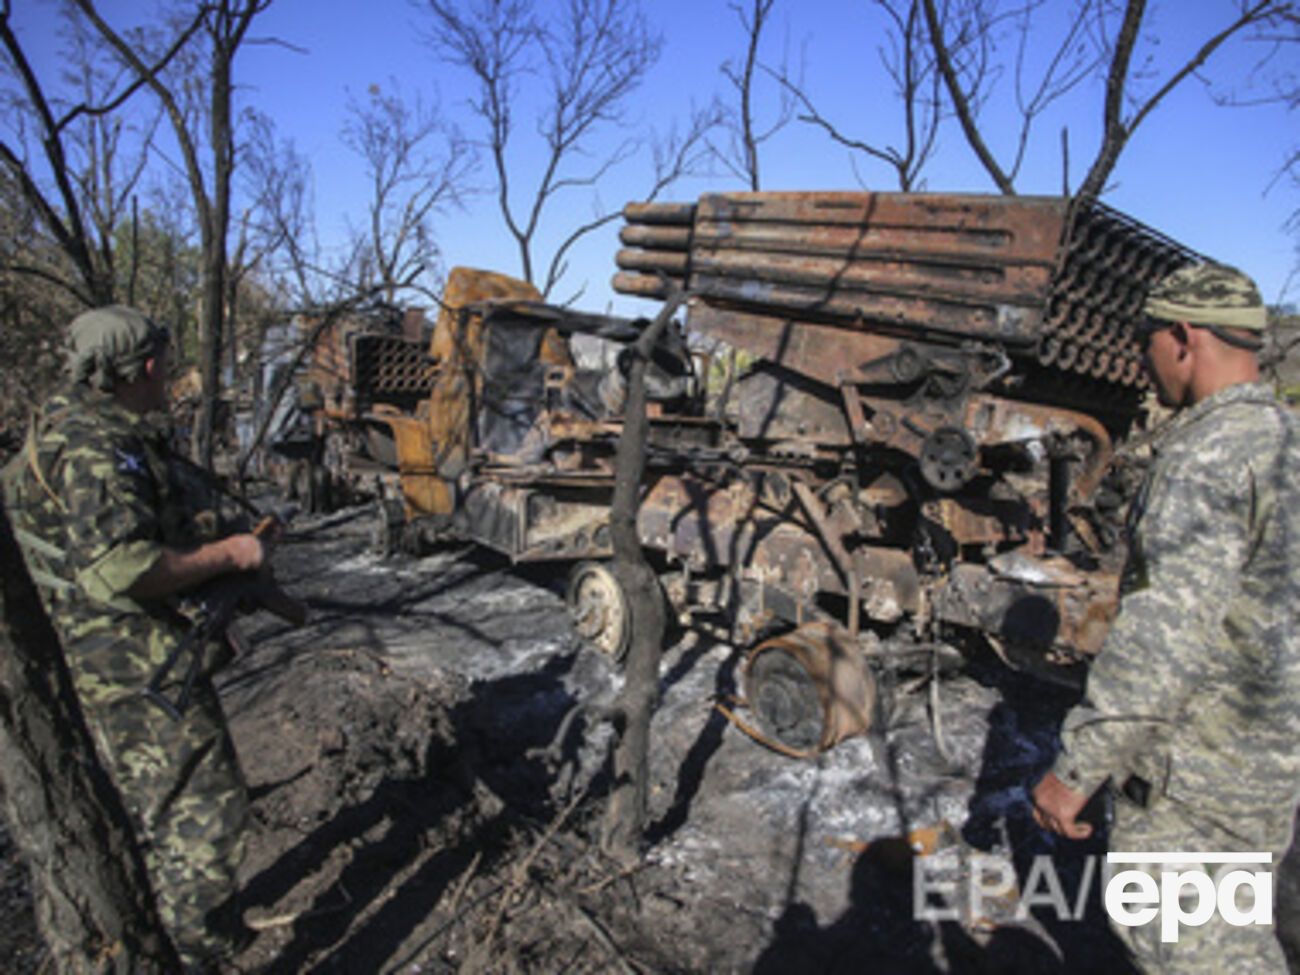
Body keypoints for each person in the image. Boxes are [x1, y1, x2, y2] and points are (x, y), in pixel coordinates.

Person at [1030, 264, 1299, 972]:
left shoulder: (1207, 456)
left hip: (1198, 771)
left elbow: (1163, 642)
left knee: (1201, 950)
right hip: (1265, 761)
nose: (1141, 362)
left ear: (1182, 336)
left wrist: (1076, 766)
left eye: (1146, 341)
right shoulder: (1284, 439)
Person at [3, 306, 267, 970]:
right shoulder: (97, 447)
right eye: (164, 361)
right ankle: (203, 947)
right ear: (146, 365)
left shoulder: (58, 426)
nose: (169, 373)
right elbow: (119, 565)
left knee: (159, 809)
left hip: (101, 662)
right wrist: (231, 554)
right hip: (135, 670)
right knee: (205, 811)